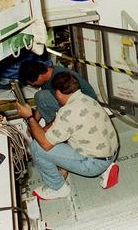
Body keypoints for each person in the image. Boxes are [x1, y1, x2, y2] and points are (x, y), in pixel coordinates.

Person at [16, 72, 119, 200]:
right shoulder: (87, 99)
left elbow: (45, 144)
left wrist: (30, 117)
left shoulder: (67, 113)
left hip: (93, 164)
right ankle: (106, 169)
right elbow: (62, 126)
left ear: (58, 93)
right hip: (110, 153)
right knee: (62, 137)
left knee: (37, 147)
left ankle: (57, 188)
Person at [18, 60, 97, 124]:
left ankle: (51, 128)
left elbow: (68, 107)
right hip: (73, 103)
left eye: (33, 83)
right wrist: (34, 122)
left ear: (40, 76)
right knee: (40, 97)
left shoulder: (60, 79)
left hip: (87, 106)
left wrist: (50, 126)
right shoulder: (47, 76)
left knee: (41, 96)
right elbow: (41, 104)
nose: (33, 85)